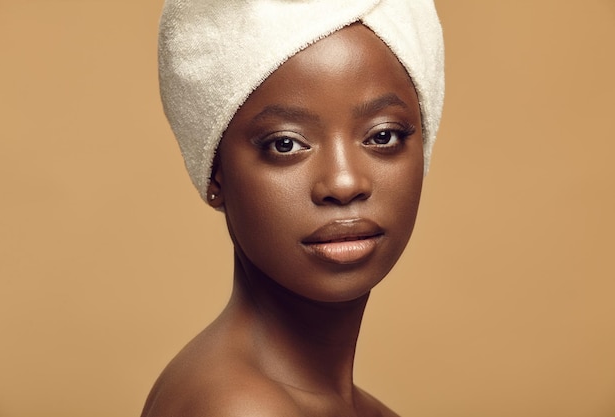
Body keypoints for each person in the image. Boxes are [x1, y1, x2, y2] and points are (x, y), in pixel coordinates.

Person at [141, 1, 444, 416]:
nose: (343, 182)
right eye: (285, 144)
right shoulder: (238, 407)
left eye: (383, 136)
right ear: (216, 174)